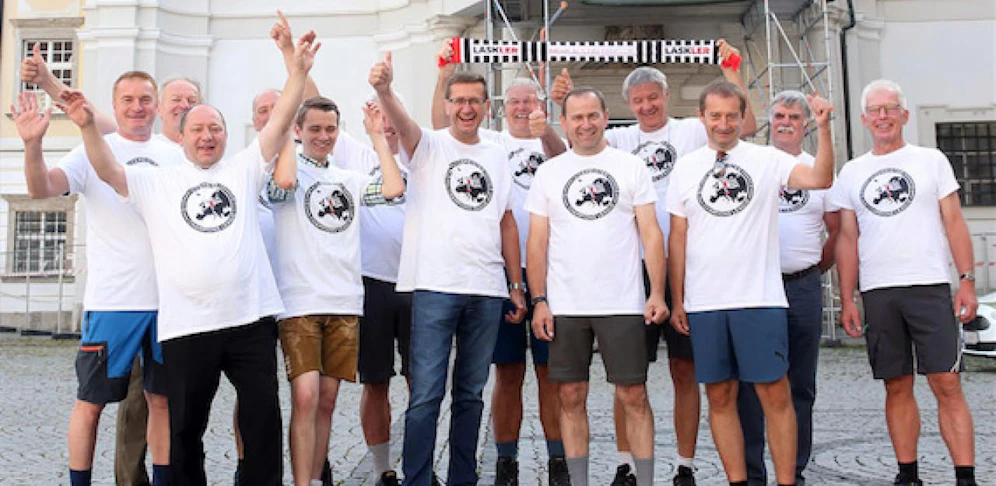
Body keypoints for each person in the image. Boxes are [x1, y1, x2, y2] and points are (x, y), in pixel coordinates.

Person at [62, 30, 321, 485]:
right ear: (179, 137)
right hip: (187, 326)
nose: (207, 137)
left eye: (215, 129)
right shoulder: (156, 181)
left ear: (226, 135)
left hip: (250, 321)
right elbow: (106, 169)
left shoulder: (243, 167)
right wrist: (86, 126)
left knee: (262, 422)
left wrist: (298, 71)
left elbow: (281, 119)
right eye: (197, 129)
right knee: (184, 430)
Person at [551, 41, 754, 486]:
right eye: (638, 100)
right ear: (626, 105)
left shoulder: (687, 131)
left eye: (653, 97)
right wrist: (560, 99)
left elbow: (745, 125)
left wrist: (732, 72)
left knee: (687, 370)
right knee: (627, 380)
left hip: (683, 264)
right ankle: (626, 463)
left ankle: (685, 464)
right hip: (627, 271)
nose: (646, 106)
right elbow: (568, 144)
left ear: (666, 96)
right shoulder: (619, 138)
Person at [20, 47, 204, 486]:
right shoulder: (92, 149)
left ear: (156, 106)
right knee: (91, 402)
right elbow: (41, 189)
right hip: (113, 300)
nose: (137, 107)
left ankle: (162, 480)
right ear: (116, 104)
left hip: (168, 302)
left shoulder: (177, 156)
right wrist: (33, 145)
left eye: (145, 99)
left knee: (161, 401)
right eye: (128, 100)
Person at [369, 53, 527, 486]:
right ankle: (417, 478)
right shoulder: (429, 145)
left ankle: (463, 478)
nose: (467, 108)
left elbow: (507, 221)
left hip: (487, 289)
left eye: (475, 100)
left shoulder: (497, 156)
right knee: (425, 395)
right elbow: (402, 124)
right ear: (448, 103)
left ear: (486, 106)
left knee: (471, 395)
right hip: (435, 286)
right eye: (458, 100)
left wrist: (516, 284)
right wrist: (384, 90)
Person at [666, 80, 833, 486]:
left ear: (743, 118)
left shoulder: (766, 159)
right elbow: (679, 238)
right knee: (720, 397)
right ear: (702, 117)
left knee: (775, 395)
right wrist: (678, 299)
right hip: (706, 303)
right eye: (715, 115)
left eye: (731, 115)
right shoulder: (686, 167)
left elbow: (821, 179)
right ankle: (738, 481)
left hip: (758, 298)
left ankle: (785, 481)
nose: (723, 124)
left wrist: (825, 129)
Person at [432, 44, 570, 486]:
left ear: (540, 105)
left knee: (552, 375)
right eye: (514, 102)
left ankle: (558, 460)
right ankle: (506, 460)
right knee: (506, 373)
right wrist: (443, 76)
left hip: (552, 272)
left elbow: (562, 159)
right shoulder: (490, 143)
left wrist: (546, 123)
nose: (522, 108)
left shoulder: (554, 141)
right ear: (500, 109)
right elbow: (440, 126)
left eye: (529, 101)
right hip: (504, 273)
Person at [832, 79, 979, 486]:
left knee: (946, 381)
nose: (883, 116)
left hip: (929, 285)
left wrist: (966, 280)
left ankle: (964, 476)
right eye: (875, 110)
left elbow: (954, 222)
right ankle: (907, 474)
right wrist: (848, 298)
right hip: (879, 291)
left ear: (904, 115)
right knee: (896, 385)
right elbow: (847, 237)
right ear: (864, 119)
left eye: (890, 108)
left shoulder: (930, 160)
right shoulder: (852, 172)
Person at [525, 87, 668, 486]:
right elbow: (537, 242)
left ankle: (645, 479)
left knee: (634, 396)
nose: (585, 124)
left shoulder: (630, 166)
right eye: (576, 118)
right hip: (567, 304)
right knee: (570, 396)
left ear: (606, 117)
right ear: (565, 124)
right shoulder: (549, 172)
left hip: (622, 302)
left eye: (592, 115)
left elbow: (651, 233)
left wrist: (657, 291)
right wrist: (539, 300)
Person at [268, 96, 405, 486]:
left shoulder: (348, 178)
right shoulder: (288, 171)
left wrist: (378, 136)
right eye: (314, 128)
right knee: (306, 396)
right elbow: (284, 184)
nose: (323, 136)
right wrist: (283, 138)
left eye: (330, 129)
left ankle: (313, 478)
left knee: (326, 401)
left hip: (345, 302)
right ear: (298, 131)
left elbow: (393, 188)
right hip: (300, 302)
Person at [735, 90, 840, 486]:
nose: (785, 122)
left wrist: (812, 266)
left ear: (805, 124)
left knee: (800, 381)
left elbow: (837, 230)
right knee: (751, 381)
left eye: (794, 117)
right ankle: (751, 469)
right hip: (755, 286)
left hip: (801, 287)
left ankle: (793, 467)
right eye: (778, 114)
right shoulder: (754, 163)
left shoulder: (819, 168)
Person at [339, 95, 411, 486]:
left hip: (418, 283)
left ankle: (418, 462)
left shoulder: (420, 156)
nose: (387, 127)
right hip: (372, 283)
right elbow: (316, 102)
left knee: (423, 382)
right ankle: (382, 467)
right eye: (380, 122)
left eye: (393, 121)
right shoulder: (357, 155)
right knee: (375, 380)